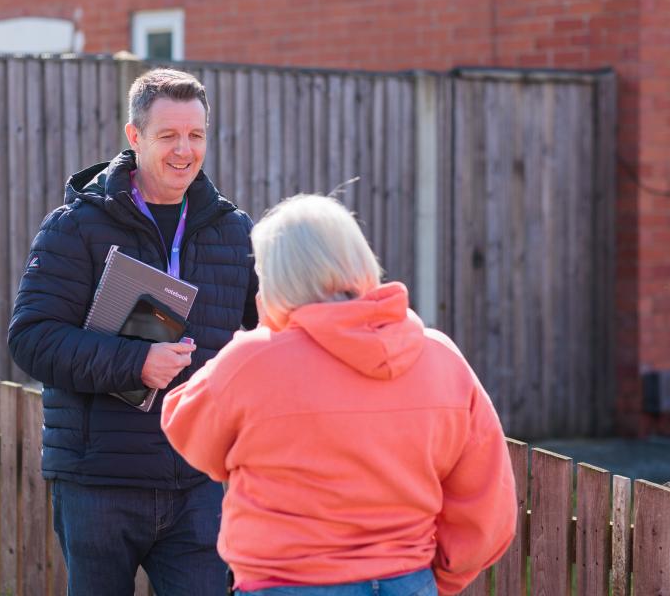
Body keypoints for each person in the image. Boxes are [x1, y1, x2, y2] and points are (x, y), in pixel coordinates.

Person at [161, 194, 517, 596]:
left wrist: (268, 329)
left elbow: (187, 431)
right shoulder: (440, 356)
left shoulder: (253, 361)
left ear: (276, 277)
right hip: (407, 579)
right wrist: (440, 577)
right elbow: (487, 501)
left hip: (285, 582)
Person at [8, 68, 258, 595]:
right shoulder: (75, 226)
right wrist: (134, 363)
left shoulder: (235, 231)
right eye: (168, 135)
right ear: (135, 136)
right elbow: (30, 339)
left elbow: (280, 325)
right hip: (100, 482)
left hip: (199, 482)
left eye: (196, 135)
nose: (184, 151)